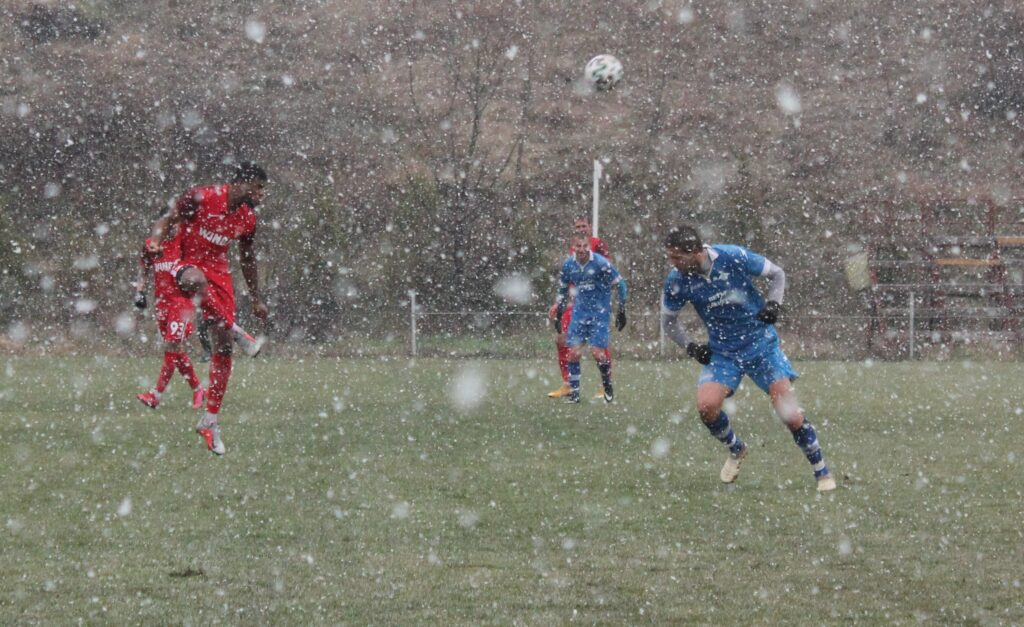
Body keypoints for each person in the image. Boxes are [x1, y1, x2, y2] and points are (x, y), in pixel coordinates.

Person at [660, 225, 836, 491]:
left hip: (760, 345)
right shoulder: (677, 280)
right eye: (670, 257)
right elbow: (669, 322)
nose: (673, 263)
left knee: (790, 415)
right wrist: (692, 347)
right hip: (723, 352)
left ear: (695, 251)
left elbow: (777, 274)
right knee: (706, 407)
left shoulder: (731, 256)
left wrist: (774, 304)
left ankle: (822, 472)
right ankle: (737, 448)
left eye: (676, 257)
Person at [146, 161, 269, 455]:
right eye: (259, 188)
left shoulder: (247, 218)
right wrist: (156, 240)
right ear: (242, 182)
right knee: (193, 280)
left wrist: (255, 297)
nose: (262, 195)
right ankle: (236, 328)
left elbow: (247, 259)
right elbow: (168, 217)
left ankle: (210, 422)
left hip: (220, 274)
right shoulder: (201, 196)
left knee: (223, 348)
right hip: (185, 264)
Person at [133, 220, 206, 411]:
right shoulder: (152, 244)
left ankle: (155, 395)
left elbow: (201, 265)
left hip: (181, 304)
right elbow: (144, 267)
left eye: (176, 224)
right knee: (176, 352)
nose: (174, 228)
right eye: (170, 224)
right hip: (161, 304)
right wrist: (139, 291)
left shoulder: (185, 241)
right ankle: (198, 389)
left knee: (172, 348)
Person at [552, 231, 628, 404]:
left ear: (589, 246)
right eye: (578, 246)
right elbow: (562, 290)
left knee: (598, 353)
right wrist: (559, 312)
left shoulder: (601, 263)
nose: (581, 250)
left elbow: (621, 285)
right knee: (573, 353)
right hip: (579, 313)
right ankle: (575, 394)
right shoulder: (568, 265)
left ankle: (607, 385)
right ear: (573, 247)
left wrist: (621, 310)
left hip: (599, 313)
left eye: (584, 246)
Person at [547, 215, 612, 399]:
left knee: (598, 345)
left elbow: (607, 271)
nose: (581, 229)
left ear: (590, 227)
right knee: (561, 339)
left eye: (584, 225)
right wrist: (558, 303)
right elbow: (569, 278)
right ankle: (568, 383)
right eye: (578, 226)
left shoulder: (598, 244)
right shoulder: (573, 248)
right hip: (574, 303)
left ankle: (604, 385)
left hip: (594, 304)